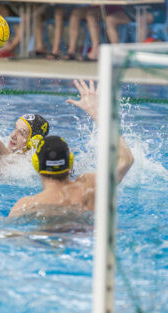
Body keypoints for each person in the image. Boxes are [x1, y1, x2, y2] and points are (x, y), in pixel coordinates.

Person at [9, 80, 134, 218]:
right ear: (70, 162)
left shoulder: (27, 205)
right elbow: (126, 160)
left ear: (36, 164)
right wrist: (96, 112)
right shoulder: (89, 187)